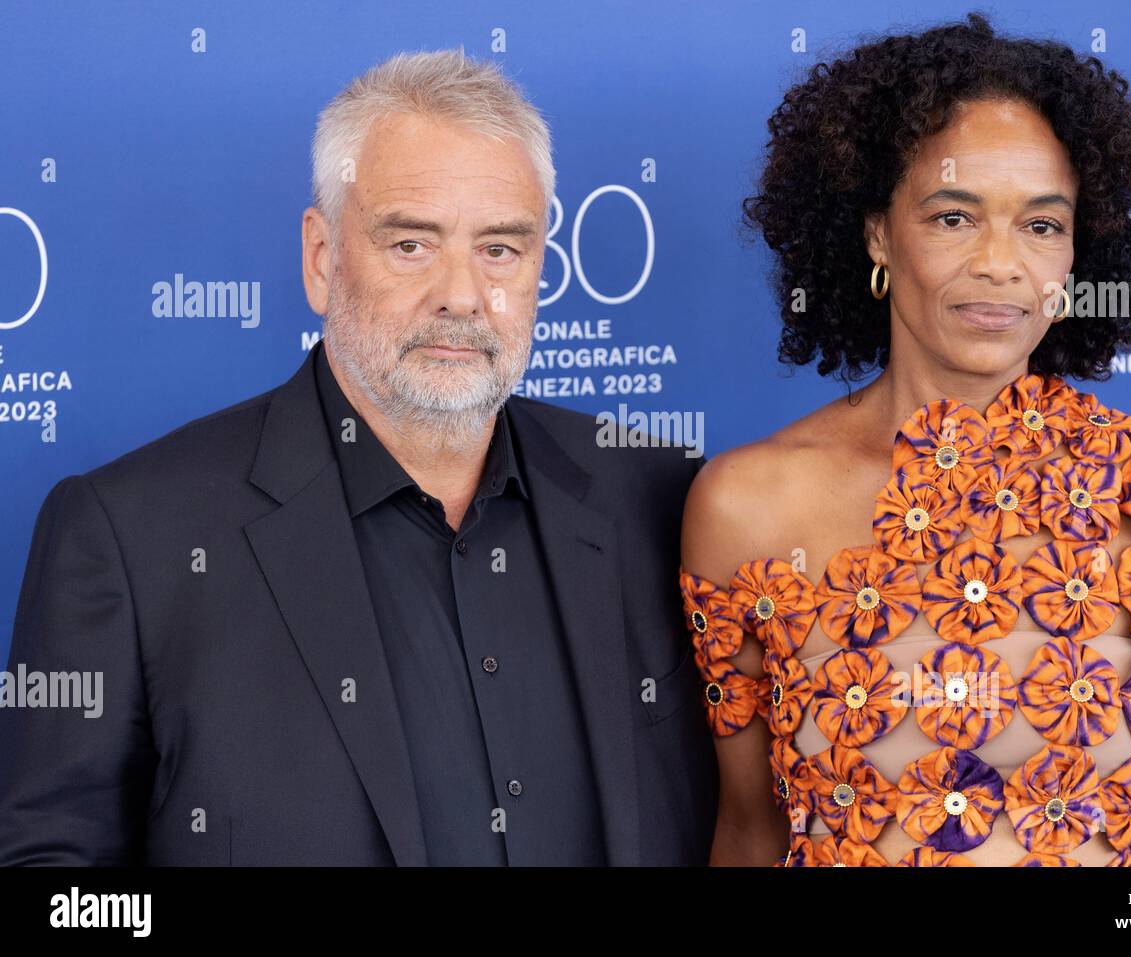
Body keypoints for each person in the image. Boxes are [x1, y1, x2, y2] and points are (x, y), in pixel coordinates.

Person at [0, 50, 717, 866]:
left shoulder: (661, 496)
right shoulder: (131, 538)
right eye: (412, 244)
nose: (461, 294)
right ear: (321, 258)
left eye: (500, 249)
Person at [680, 12, 1131, 866]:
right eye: (955, 216)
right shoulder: (745, 505)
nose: (1002, 264)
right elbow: (749, 832)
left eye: (1041, 225)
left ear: (1080, 252)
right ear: (878, 232)